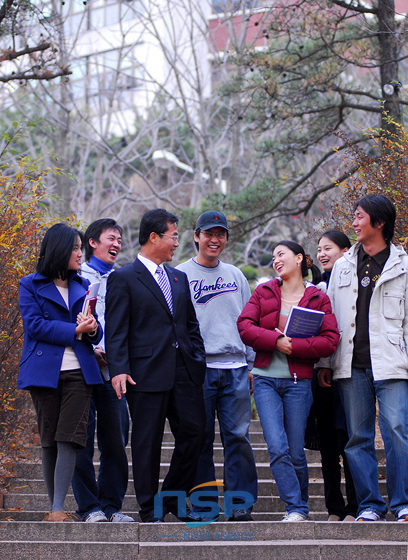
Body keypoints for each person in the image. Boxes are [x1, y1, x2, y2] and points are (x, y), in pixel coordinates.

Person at [105, 208, 206, 523]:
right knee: (147, 441)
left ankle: (171, 498)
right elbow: (117, 329)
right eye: (173, 236)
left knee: (196, 432)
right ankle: (149, 508)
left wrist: (197, 358)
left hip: (184, 371)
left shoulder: (179, 277)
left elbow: (190, 326)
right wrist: (119, 368)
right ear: (154, 237)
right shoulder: (123, 278)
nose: (177, 242)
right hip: (144, 374)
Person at [319, 194, 408, 522]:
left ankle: (402, 504)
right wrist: (324, 363)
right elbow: (328, 316)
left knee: (397, 429)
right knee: (357, 436)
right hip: (350, 365)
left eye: (359, 217)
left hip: (393, 364)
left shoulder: (404, 266)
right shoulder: (342, 265)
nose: (354, 223)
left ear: (379, 222)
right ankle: (369, 505)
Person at [237, 241, 339, 522]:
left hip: (299, 382)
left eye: (280, 254)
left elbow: (331, 340)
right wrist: (276, 341)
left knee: (295, 450)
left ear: (299, 258)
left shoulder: (318, 297)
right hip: (266, 380)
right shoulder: (264, 291)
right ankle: (296, 507)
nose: (276, 260)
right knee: (277, 447)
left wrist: (297, 347)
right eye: (273, 257)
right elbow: (245, 326)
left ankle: (300, 505)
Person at [18, 223, 103, 522]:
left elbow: (93, 327)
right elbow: (35, 326)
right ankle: (54, 508)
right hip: (45, 371)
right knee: (49, 439)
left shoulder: (82, 285)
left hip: (80, 371)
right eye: (76, 248)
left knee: (69, 437)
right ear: (59, 249)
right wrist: (74, 329)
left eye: (81, 248)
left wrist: (92, 328)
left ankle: (57, 509)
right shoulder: (29, 284)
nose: (81, 253)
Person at [177, 211, 258, 522]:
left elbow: (248, 322)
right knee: (199, 439)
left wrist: (251, 363)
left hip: (236, 367)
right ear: (196, 236)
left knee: (238, 436)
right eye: (208, 233)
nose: (214, 239)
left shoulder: (236, 276)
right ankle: (203, 505)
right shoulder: (180, 274)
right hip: (198, 369)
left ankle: (240, 503)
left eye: (220, 234)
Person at [71, 219, 133, 523]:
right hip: (82, 368)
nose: (118, 244)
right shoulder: (76, 277)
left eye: (120, 239)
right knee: (80, 439)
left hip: (115, 371)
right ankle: (89, 507)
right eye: (112, 238)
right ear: (93, 242)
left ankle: (112, 506)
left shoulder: (124, 278)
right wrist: (89, 347)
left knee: (116, 438)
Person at [314, 230, 357, 521]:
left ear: (346, 251)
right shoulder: (314, 289)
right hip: (321, 371)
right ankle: (334, 507)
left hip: (350, 371)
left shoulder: (353, 285)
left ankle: (356, 506)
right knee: (328, 442)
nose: (321, 254)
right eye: (318, 249)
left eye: (328, 248)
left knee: (350, 439)